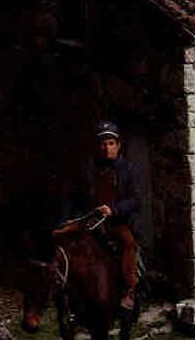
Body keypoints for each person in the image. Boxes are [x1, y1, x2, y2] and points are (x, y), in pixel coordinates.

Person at [55, 121, 142, 311]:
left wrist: (115, 210)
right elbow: (74, 196)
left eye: (111, 143)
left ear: (118, 146)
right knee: (61, 239)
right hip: (89, 221)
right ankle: (65, 292)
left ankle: (129, 289)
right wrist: (66, 220)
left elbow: (136, 200)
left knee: (128, 244)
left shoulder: (129, 170)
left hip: (116, 222)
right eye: (103, 144)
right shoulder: (89, 170)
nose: (106, 148)